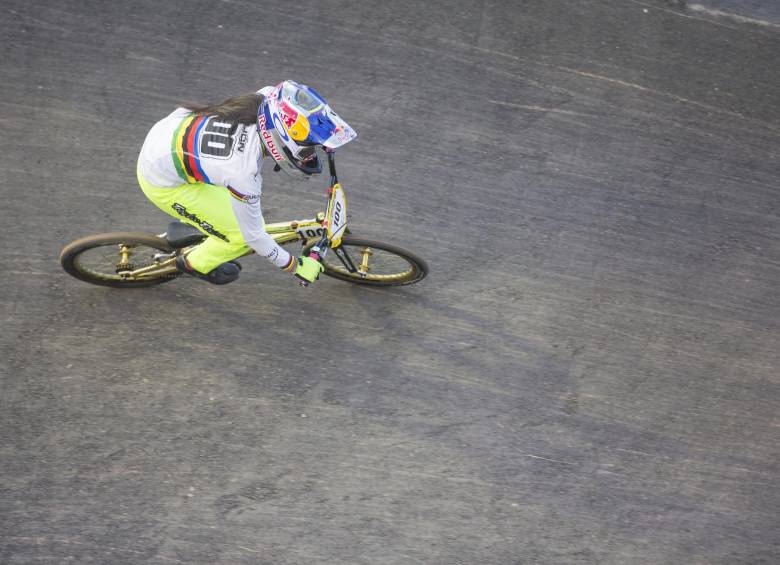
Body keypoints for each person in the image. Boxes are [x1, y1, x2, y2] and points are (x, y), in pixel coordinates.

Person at [136, 80, 357, 285]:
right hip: (160, 181)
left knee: (239, 213)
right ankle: (195, 263)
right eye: (307, 150)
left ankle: (208, 227)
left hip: (169, 132)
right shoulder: (244, 173)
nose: (310, 155)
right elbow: (254, 238)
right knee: (240, 236)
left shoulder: (266, 99)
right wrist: (296, 266)